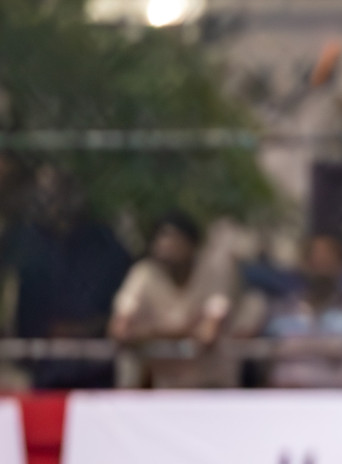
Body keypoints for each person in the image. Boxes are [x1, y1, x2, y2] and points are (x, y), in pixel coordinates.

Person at [0, 165, 131, 389]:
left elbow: (122, 304)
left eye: (58, 191)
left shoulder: (103, 243)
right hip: (39, 362)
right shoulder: (23, 240)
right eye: (44, 192)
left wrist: (86, 328)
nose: (51, 201)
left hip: (95, 363)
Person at [109, 211, 263, 388]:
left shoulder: (216, 270)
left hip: (211, 388)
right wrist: (181, 334)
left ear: (192, 244)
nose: (167, 246)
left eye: (175, 240)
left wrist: (147, 336)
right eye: (161, 239)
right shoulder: (144, 274)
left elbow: (207, 334)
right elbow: (119, 331)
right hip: (166, 391)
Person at [264, 234, 342, 388]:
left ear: (341, 265)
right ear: (304, 265)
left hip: (339, 400)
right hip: (289, 399)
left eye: (328, 262)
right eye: (316, 262)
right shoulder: (284, 309)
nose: (321, 270)